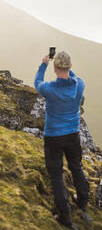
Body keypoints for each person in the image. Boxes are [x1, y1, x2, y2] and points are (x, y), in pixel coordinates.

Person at [34, 51, 91, 229]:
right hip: (73, 135)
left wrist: (43, 64)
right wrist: (68, 72)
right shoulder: (79, 85)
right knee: (76, 167)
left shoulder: (49, 89)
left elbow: (37, 83)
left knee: (56, 174)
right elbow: (74, 77)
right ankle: (82, 203)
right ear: (70, 67)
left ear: (54, 67)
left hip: (53, 137)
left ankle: (65, 217)